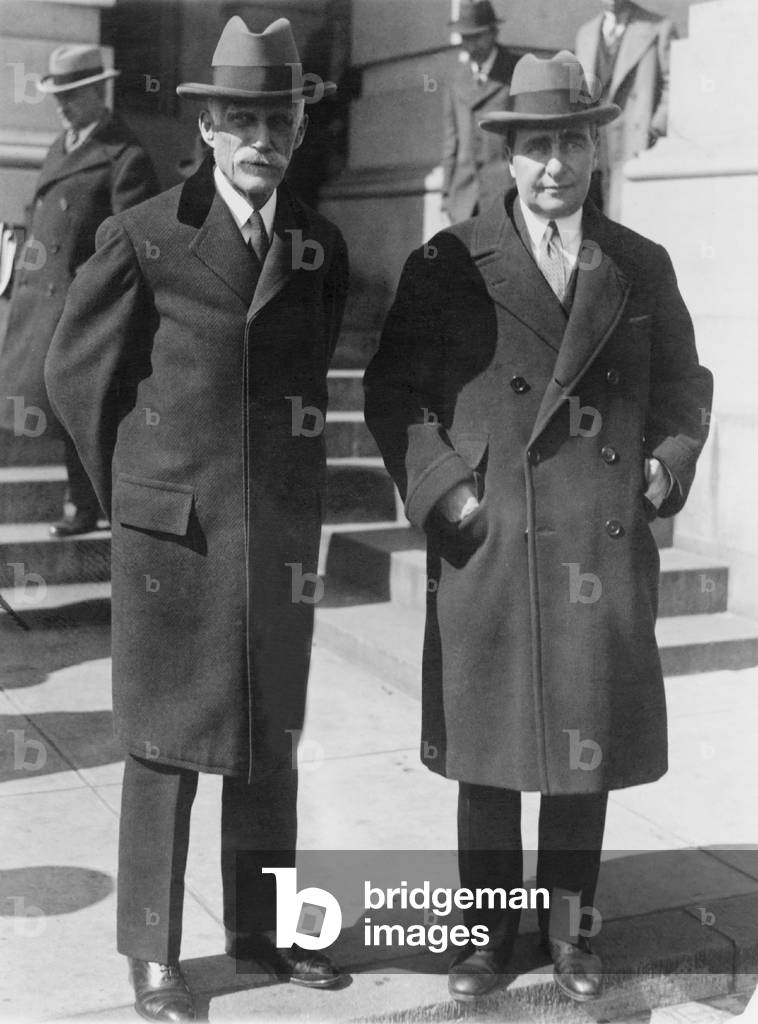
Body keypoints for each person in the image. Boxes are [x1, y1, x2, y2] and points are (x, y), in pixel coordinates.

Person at [364, 50, 712, 1005]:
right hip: (493, 537)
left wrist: (662, 468)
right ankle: (485, 935)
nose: (553, 165)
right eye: (534, 147)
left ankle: (571, 932)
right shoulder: (447, 264)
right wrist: (447, 493)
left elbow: (687, 387)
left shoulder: (641, 266)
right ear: (507, 155)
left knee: (581, 744)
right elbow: (393, 392)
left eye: (569, 143)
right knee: (489, 746)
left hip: (597, 537)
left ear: (593, 151)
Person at [45, 17, 349, 1022]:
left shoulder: (316, 244)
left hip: (271, 537)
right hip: (170, 539)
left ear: (297, 129)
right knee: (164, 745)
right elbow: (72, 370)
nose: (260, 138)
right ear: (209, 128)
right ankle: (151, 957)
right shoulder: (147, 233)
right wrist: (134, 489)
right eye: (240, 119)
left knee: (267, 735)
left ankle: (261, 932)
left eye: (278, 118)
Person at [0, 45, 158, 536]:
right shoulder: (59, 145)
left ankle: (85, 504)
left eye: (71, 95)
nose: (62, 105)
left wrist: (89, 296)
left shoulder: (124, 156)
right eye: (57, 95)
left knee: (79, 406)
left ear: (97, 91)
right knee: (27, 403)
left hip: (80, 307)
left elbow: (131, 244)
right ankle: (81, 502)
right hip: (34, 300)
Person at [575, 0, 676, 220]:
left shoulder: (658, 28)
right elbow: (579, 94)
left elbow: (675, 84)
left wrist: (655, 128)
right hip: (595, 148)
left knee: (630, 224)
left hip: (634, 143)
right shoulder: (586, 34)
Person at [441, 0, 518, 224]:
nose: (470, 46)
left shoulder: (516, 70)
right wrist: (447, 193)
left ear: (493, 33)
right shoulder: (455, 80)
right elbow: (450, 141)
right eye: (465, 38)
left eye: (476, 37)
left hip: (505, 196)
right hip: (463, 200)